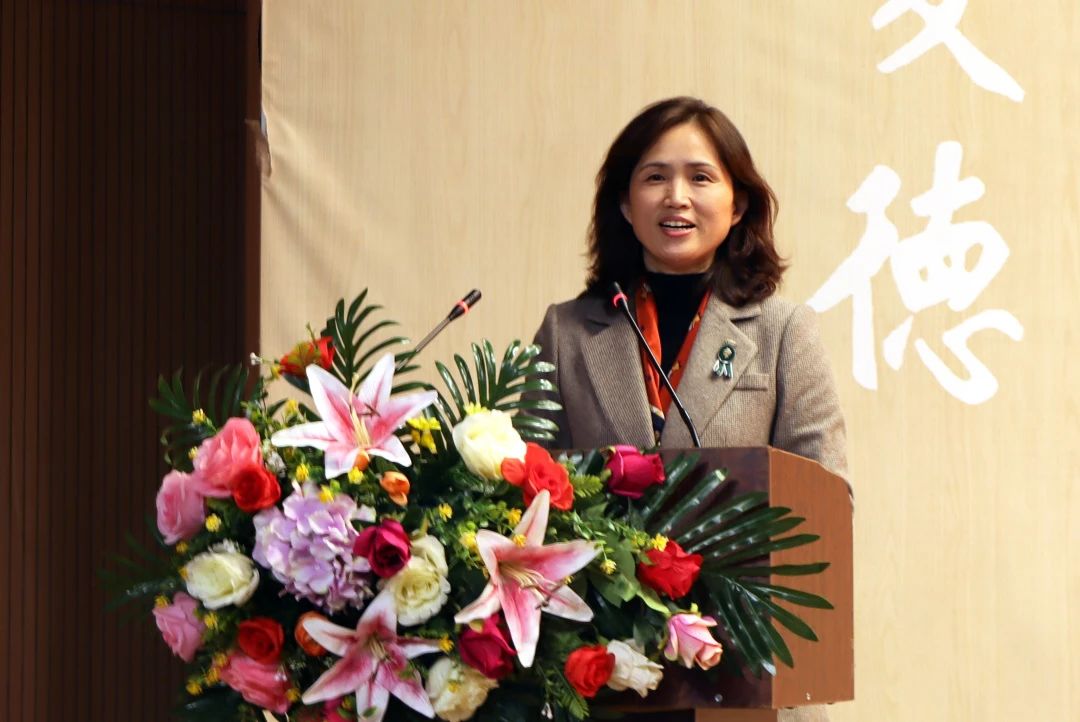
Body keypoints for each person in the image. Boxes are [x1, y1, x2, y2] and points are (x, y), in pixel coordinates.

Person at [529, 97, 847, 722]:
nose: (677, 197)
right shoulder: (567, 333)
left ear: (738, 204)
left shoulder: (783, 331)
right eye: (655, 177)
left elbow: (827, 497)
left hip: (747, 670)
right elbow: (525, 491)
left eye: (701, 177)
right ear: (626, 204)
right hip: (605, 670)